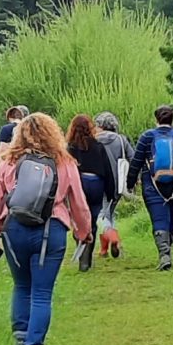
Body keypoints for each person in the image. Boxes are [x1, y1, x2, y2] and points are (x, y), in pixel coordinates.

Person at [0, 111, 92, 345]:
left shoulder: (9, 161)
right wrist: (83, 231)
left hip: (14, 230)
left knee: (21, 287)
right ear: (53, 132)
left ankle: (20, 342)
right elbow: (78, 202)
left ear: (19, 134)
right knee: (42, 294)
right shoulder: (64, 162)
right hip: (50, 231)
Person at [125, 104, 173, 271]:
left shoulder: (147, 137)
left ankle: (164, 255)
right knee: (170, 216)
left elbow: (136, 163)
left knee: (159, 218)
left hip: (152, 185)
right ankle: (169, 244)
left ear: (156, 119)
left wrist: (130, 184)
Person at [66, 114, 117, 272]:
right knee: (92, 220)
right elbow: (108, 170)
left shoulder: (70, 148)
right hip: (96, 184)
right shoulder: (98, 146)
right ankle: (86, 259)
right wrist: (111, 192)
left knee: (78, 220)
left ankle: (82, 252)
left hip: (78, 184)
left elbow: (65, 171)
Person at [93, 111, 132, 260]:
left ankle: (112, 236)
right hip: (118, 183)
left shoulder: (94, 140)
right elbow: (132, 158)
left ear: (100, 126)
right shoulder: (122, 140)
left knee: (101, 214)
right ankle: (104, 249)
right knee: (109, 212)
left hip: (98, 181)